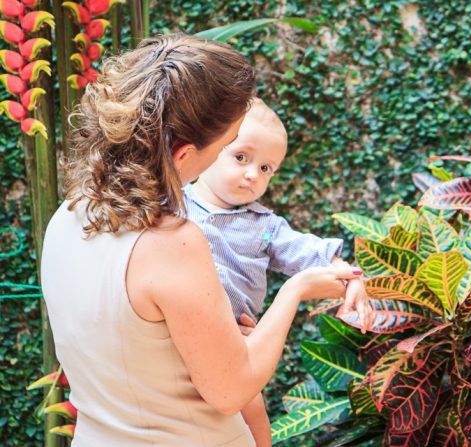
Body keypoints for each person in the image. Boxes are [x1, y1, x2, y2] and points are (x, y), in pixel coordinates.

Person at [40, 33, 363, 446]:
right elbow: (230, 390)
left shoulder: (70, 213)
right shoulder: (173, 242)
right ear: (183, 155)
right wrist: (295, 291)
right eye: (228, 146)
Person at [185, 98, 373, 446]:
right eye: (241, 157)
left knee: (252, 410)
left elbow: (306, 252)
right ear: (210, 148)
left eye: (267, 168)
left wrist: (348, 276)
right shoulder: (171, 204)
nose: (253, 174)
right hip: (177, 333)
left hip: (232, 343)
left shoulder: (265, 227)